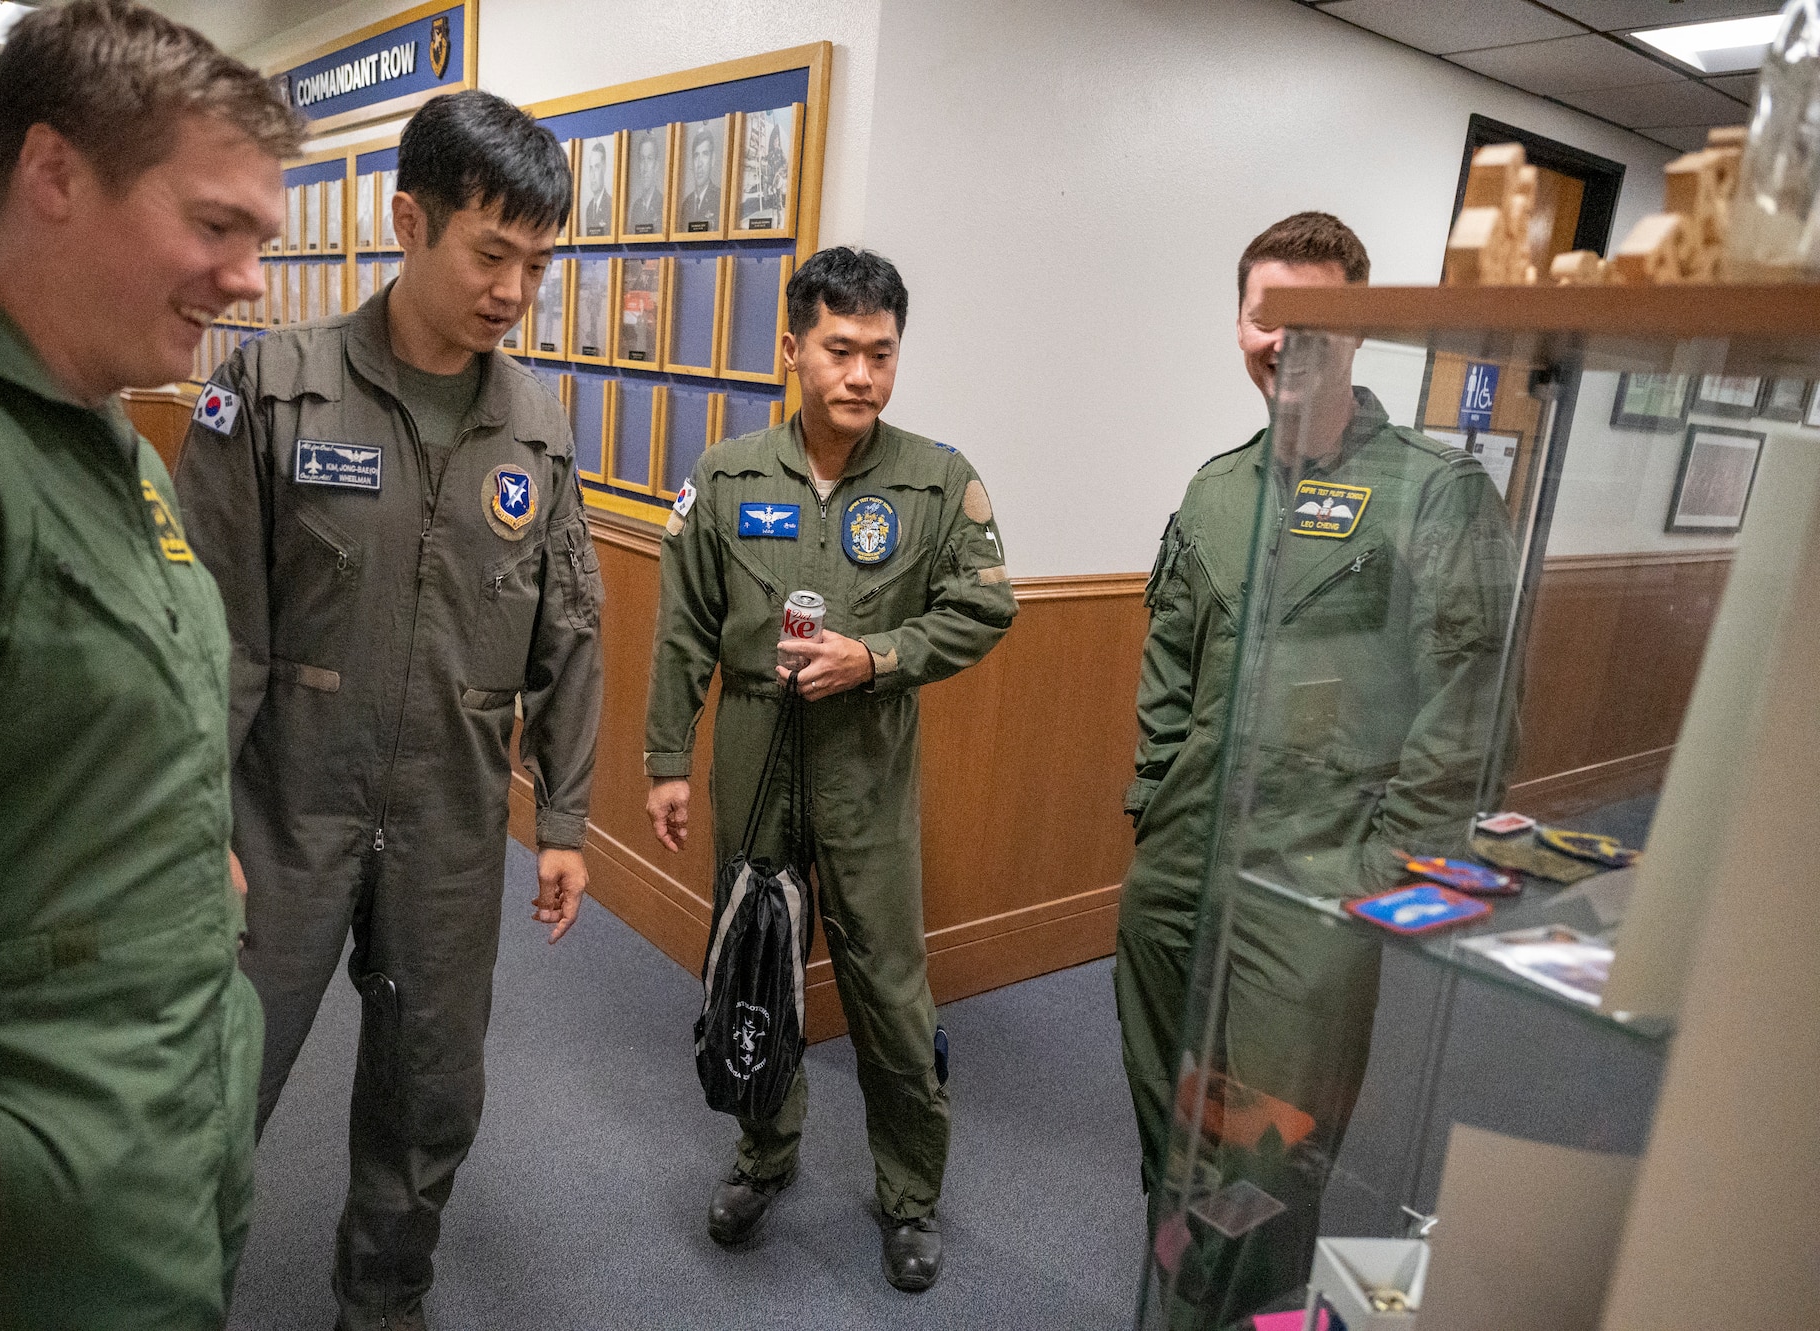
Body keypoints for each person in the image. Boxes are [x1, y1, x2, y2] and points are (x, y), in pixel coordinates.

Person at [0, 3, 299, 1327]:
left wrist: (185, 835)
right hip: (8, 1202)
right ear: (54, 176)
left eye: (261, 236)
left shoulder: (110, 447)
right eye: (217, 225)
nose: (250, 276)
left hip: (162, 1112)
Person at [175, 90, 600, 1331]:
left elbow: (568, 630)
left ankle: (383, 1299)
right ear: (406, 219)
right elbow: (206, 636)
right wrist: (189, 814)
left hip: (449, 826)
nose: (514, 288)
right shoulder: (272, 389)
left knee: (427, 1097)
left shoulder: (534, 426)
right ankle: (167, 1295)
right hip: (279, 814)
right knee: (213, 1082)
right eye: (489, 253)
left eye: (536, 262)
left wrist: (563, 816)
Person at [1114, 213, 1516, 1327]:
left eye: (1316, 320)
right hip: (1184, 854)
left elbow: (1471, 707)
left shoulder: (1434, 494)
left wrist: (1393, 865)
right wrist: (1151, 801)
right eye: (1265, 315)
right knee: (1167, 1096)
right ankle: (1180, 1275)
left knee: (1277, 1132)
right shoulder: (1215, 490)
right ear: (1237, 324)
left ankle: (1232, 1308)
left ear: (1357, 333)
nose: (1284, 341)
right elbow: (1167, 659)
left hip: (1320, 867)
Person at [644, 247, 1016, 1292]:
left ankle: (906, 1195)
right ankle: (764, 1155)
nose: (860, 374)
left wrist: (878, 656)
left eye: (880, 353)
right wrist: (666, 758)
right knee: (753, 959)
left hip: (865, 764)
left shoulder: (935, 479)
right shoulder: (725, 476)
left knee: (889, 990)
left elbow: (986, 604)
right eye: (839, 349)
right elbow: (682, 633)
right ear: (793, 348)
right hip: (752, 755)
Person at [678, 124, 722, 231]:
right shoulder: (686, 205)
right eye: (696, 155)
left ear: (712, 160)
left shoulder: (720, 200)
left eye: (705, 154)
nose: (699, 163)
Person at [626, 131, 664, 234]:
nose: (645, 167)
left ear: (656, 165)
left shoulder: (663, 204)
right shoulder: (636, 207)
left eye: (649, 159)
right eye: (642, 159)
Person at [580, 135, 613, 236]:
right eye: (591, 168)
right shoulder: (589, 208)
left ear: (604, 168)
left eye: (597, 167)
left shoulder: (611, 205)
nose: (593, 175)